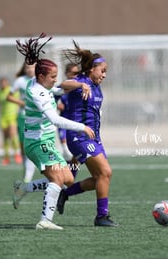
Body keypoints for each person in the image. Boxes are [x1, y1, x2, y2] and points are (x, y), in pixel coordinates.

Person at [15, 33, 95, 230]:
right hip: (36, 142)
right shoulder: (37, 92)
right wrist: (82, 127)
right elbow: (55, 119)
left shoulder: (41, 85)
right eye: (52, 77)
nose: (54, 80)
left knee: (67, 178)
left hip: (47, 141)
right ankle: (45, 220)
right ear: (41, 76)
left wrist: (80, 84)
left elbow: (59, 89)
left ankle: (23, 188)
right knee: (58, 178)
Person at [56, 41, 118, 227]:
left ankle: (65, 193)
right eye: (102, 70)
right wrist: (78, 85)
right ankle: (101, 217)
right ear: (91, 69)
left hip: (94, 139)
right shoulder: (82, 82)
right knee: (106, 172)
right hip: (78, 137)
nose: (104, 74)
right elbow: (63, 84)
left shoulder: (97, 87)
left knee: (100, 178)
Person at [6, 62, 37, 183]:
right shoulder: (20, 81)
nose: (29, 70)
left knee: (34, 145)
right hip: (23, 117)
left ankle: (29, 175)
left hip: (38, 118)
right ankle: (27, 174)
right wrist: (22, 103)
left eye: (32, 67)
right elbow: (9, 96)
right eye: (27, 67)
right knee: (24, 147)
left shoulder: (40, 79)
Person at [56, 63, 80, 166]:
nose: (76, 76)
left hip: (76, 123)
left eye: (77, 73)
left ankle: (68, 179)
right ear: (67, 73)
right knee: (68, 153)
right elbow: (51, 98)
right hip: (64, 122)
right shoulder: (63, 87)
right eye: (73, 73)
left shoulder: (79, 87)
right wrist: (57, 105)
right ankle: (63, 178)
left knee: (76, 157)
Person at [0, 77, 22, 165]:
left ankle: (17, 154)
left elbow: (18, 101)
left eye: (4, 83)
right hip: (3, 118)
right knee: (5, 138)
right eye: (1, 83)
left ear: (7, 83)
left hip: (12, 116)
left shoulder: (11, 90)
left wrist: (18, 112)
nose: (2, 84)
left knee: (13, 135)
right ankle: (6, 157)